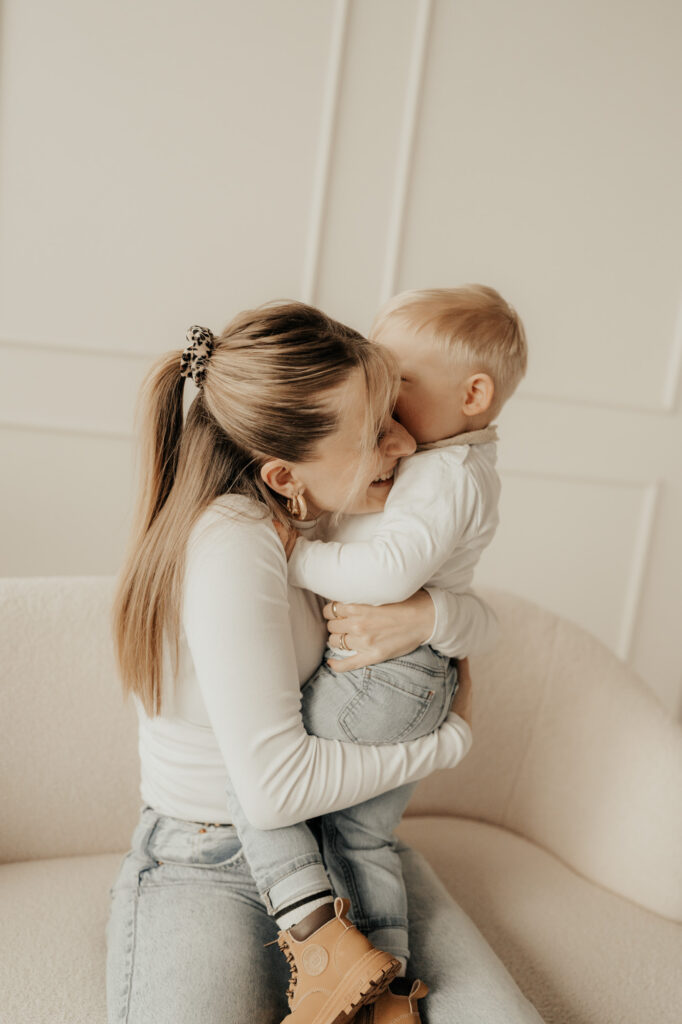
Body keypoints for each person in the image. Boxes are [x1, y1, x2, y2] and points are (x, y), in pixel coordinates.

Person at [106, 300, 544, 1024]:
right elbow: (274, 794)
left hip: (338, 838)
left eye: (394, 413)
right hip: (213, 855)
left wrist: (431, 617)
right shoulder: (233, 543)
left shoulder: (324, 509)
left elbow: (489, 622)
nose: (406, 443)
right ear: (283, 474)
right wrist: (449, 743)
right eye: (376, 432)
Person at [222, 286, 527, 1022]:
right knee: (361, 836)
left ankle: (322, 950)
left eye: (401, 382)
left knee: (247, 786)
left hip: (386, 680)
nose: (386, 405)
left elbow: (389, 573)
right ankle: (381, 991)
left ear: (472, 395)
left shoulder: (445, 474)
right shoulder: (447, 465)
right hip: (410, 679)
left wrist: (293, 558)